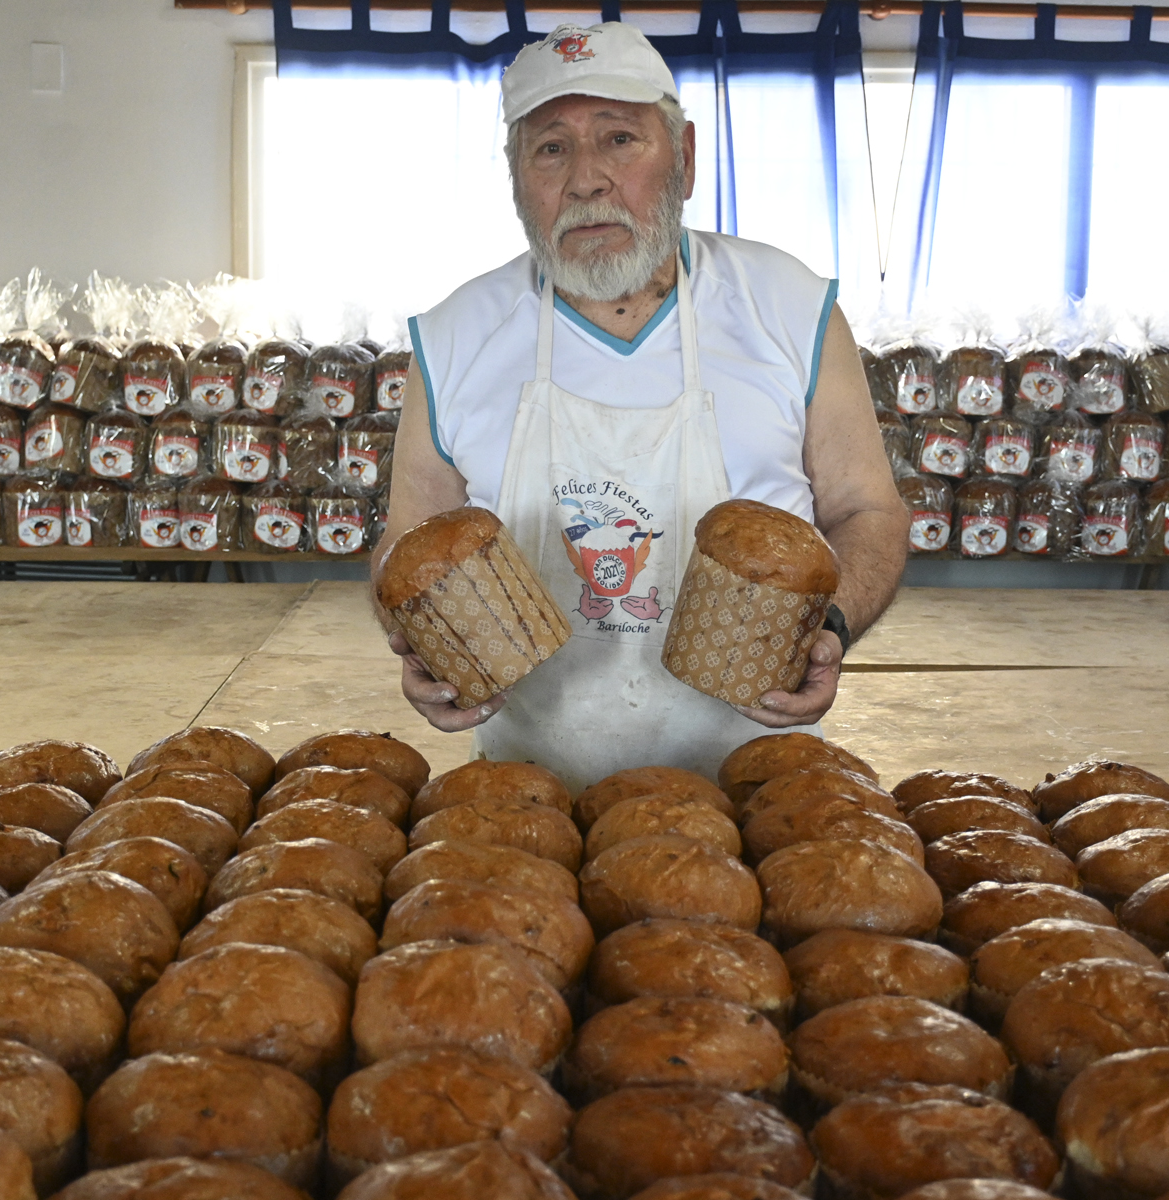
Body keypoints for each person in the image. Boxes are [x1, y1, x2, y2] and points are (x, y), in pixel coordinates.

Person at [370, 20, 907, 789]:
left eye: (620, 139)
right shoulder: (454, 334)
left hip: (757, 779)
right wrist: (416, 645)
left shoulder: (787, 306)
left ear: (684, 158)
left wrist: (834, 624)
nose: (586, 178)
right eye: (551, 147)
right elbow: (405, 547)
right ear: (518, 176)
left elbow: (867, 511)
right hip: (528, 790)